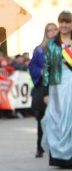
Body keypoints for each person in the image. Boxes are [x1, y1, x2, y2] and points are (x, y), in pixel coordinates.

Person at [41, 10, 72, 168]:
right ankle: (60, 157)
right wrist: (45, 92)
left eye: (67, 22)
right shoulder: (53, 43)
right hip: (57, 85)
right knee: (56, 119)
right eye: (62, 22)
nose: (64, 25)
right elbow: (46, 67)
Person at [28, 22, 58, 158]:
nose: (52, 32)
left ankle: (57, 146)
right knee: (41, 117)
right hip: (42, 87)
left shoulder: (62, 48)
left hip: (57, 86)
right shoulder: (39, 50)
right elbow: (32, 66)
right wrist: (40, 72)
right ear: (46, 33)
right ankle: (40, 146)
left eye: (54, 30)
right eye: (49, 30)